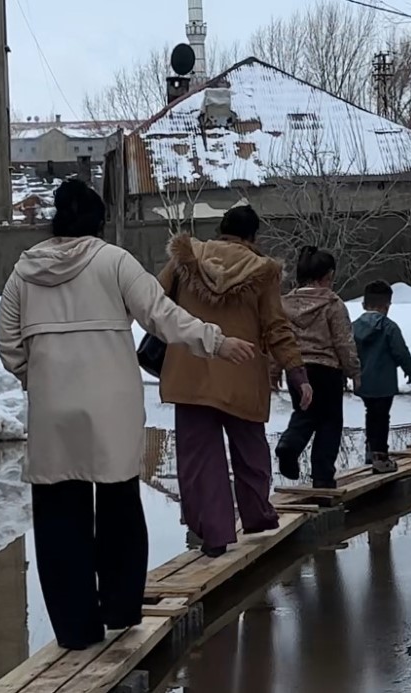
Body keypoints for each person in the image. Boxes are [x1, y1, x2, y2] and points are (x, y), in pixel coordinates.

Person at [0, 180, 256, 650]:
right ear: (97, 221)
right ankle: (119, 609)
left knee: (58, 517)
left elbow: (8, 342)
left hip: (53, 410)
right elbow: (163, 315)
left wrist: (36, 378)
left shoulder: (23, 273)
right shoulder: (115, 262)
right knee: (118, 505)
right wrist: (216, 341)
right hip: (111, 404)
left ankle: (76, 630)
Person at [157, 205, 313, 558]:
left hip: (190, 372)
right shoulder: (262, 272)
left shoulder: (185, 260)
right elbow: (276, 327)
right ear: (252, 238)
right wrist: (296, 371)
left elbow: (153, 303)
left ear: (221, 231)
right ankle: (256, 515)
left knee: (199, 460)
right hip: (242, 371)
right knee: (250, 451)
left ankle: (213, 534)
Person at [274, 246, 360, 489]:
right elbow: (344, 342)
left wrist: (274, 369)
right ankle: (322, 476)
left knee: (304, 414)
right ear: (328, 276)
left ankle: (289, 444)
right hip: (327, 370)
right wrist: (353, 371)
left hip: (296, 370)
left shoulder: (283, 305)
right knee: (330, 423)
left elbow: (276, 337)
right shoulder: (333, 304)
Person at [352, 280, 411, 474]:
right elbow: (400, 351)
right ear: (387, 305)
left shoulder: (353, 327)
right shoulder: (389, 327)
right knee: (382, 418)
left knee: (371, 415)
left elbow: (347, 351)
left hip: (363, 382)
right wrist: (408, 368)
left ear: (364, 304)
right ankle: (380, 456)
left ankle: (371, 452)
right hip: (384, 383)